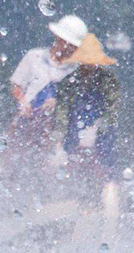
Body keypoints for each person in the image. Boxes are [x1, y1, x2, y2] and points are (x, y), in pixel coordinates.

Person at [10, 14, 88, 157]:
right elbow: (16, 86)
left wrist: (57, 103)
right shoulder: (34, 56)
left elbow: (77, 103)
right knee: (14, 154)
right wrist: (23, 102)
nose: (70, 48)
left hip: (54, 130)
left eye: (74, 46)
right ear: (58, 38)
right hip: (25, 120)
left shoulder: (77, 71)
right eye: (67, 43)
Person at [50, 32, 121, 183]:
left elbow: (112, 109)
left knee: (106, 160)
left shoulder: (109, 81)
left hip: (101, 128)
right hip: (74, 128)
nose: (87, 68)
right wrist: (58, 138)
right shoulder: (68, 82)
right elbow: (62, 111)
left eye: (90, 65)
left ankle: (107, 182)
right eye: (84, 64)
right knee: (70, 159)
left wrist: (96, 128)